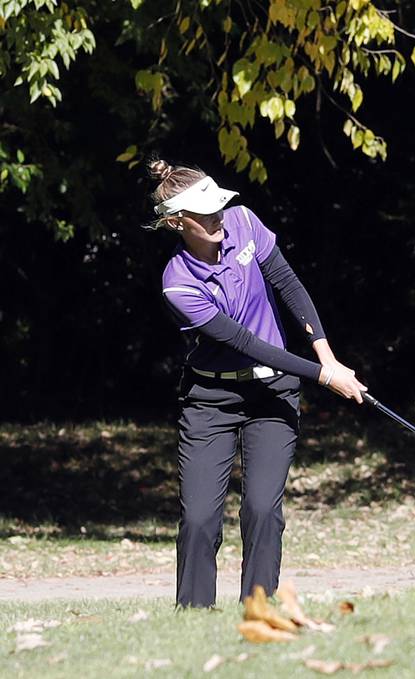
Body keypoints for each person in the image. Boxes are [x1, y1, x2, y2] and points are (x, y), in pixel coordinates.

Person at [146, 158, 367, 610]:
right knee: (201, 518)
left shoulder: (243, 221)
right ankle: (193, 615)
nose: (218, 219)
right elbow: (245, 342)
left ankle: (258, 609)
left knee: (263, 509)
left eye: (219, 208)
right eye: (205, 215)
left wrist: (328, 355)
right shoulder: (178, 285)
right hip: (210, 399)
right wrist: (324, 376)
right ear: (176, 222)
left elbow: (287, 282)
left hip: (273, 394)